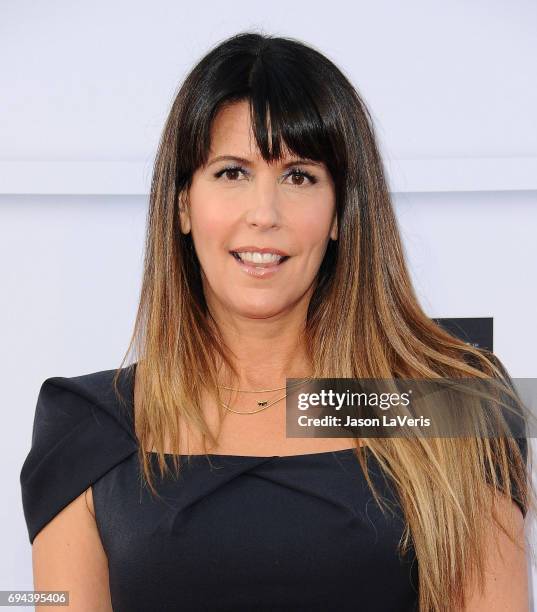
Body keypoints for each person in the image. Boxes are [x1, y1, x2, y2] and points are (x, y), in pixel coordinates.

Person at [20, 31, 533, 612]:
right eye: (232, 173)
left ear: (341, 212)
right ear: (183, 203)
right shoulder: (91, 426)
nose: (264, 215)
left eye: (299, 176)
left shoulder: (450, 396)